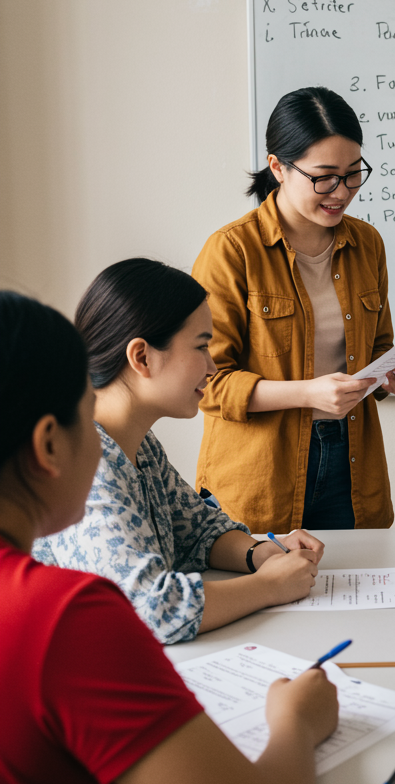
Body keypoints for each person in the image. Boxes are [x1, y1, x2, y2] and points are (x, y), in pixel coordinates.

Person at [0, 290, 372, 784]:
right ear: (48, 444)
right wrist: (296, 721)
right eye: (88, 416)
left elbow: (198, 524)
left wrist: (257, 553)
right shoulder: (65, 616)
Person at [34, 259, 323, 644]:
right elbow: (151, 611)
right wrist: (269, 587)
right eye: (202, 346)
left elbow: (195, 529)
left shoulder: (138, 442)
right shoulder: (86, 464)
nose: (212, 366)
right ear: (142, 357)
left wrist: (259, 554)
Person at [192, 85, 395, 534]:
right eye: (325, 176)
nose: (342, 191)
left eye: (354, 173)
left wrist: (391, 377)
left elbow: (378, 347)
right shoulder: (231, 250)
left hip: (352, 466)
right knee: (267, 597)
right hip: (260, 474)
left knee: (360, 591)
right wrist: (307, 394)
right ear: (278, 167)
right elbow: (207, 384)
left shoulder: (367, 244)